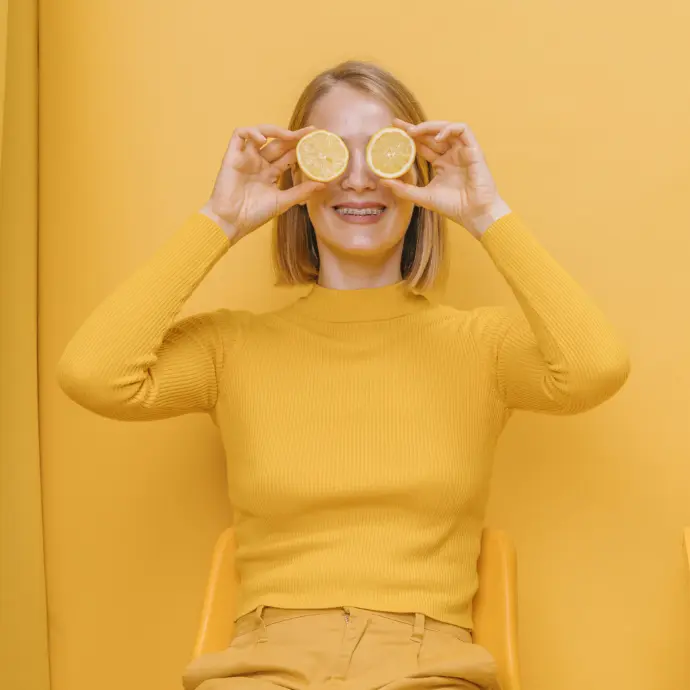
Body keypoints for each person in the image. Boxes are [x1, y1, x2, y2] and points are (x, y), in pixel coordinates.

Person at [58, 61, 630, 690]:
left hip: (428, 664)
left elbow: (594, 369)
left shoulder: (481, 348)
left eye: (382, 153)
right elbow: (94, 374)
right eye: (333, 154)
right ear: (298, 178)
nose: (359, 179)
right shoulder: (232, 347)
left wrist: (486, 212)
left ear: (417, 177)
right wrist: (220, 220)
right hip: (264, 663)